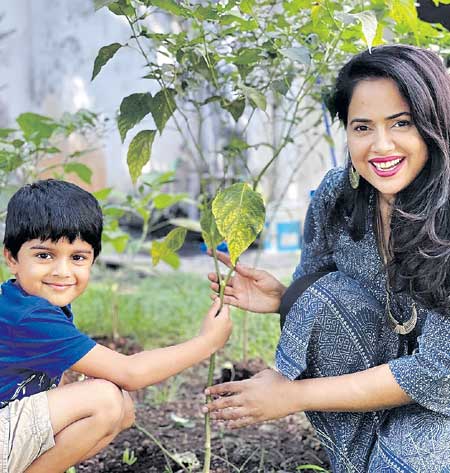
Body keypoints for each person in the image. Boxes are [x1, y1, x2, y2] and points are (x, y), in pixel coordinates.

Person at [205, 44, 450, 472]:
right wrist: (283, 296)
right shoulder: (340, 196)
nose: (381, 145)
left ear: (434, 124)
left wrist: (290, 395)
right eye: (362, 127)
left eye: (402, 123)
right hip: (393, 377)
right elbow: (320, 295)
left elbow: (439, 371)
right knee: (318, 298)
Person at [0, 179, 232, 473]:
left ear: (93, 260)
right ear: (12, 258)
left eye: (77, 257)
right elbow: (130, 373)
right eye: (44, 255)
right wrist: (206, 342)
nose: (62, 271)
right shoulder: (28, 315)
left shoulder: (23, 301)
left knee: (121, 408)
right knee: (105, 400)